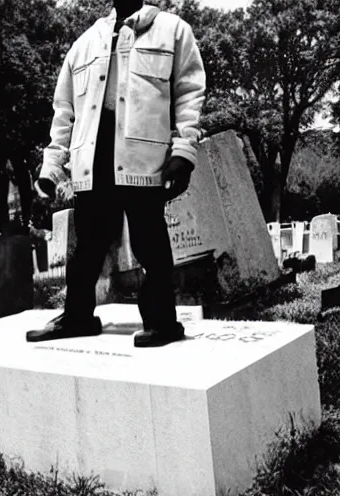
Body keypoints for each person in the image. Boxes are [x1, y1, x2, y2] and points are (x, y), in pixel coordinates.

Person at [26, 0, 206, 347]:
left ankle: (162, 322)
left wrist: (184, 150)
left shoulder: (173, 31)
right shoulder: (84, 44)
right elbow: (64, 110)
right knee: (88, 244)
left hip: (143, 153)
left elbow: (189, 91)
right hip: (93, 152)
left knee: (149, 241)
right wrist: (53, 164)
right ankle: (77, 316)